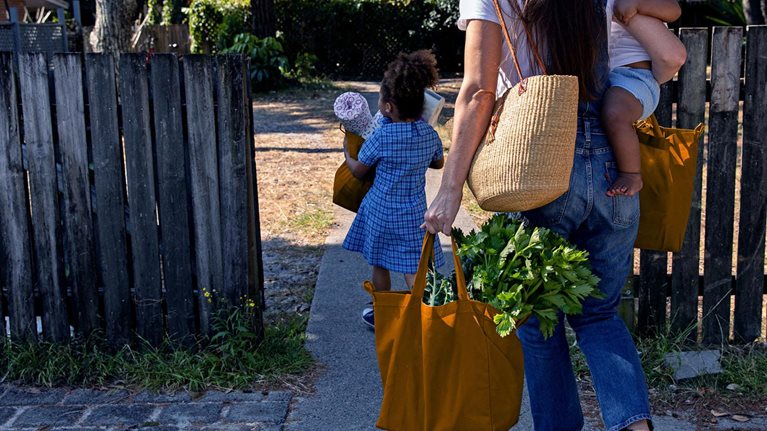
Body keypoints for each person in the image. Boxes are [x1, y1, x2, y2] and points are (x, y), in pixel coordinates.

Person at [423, 0, 683, 429]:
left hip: (541, 160)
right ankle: (636, 426)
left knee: (537, 316)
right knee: (599, 313)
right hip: (611, 161)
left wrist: (449, 190)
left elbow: (479, 91)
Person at [343, 50, 446, 329]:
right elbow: (438, 163)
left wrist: (347, 153)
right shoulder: (429, 135)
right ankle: (424, 314)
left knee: (379, 262)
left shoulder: (382, 135)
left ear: (388, 107)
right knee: (413, 266)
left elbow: (359, 170)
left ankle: (383, 313)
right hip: (413, 214)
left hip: (380, 211)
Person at [603, 0, 687, 196]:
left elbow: (674, 10)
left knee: (615, 113)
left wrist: (639, 4)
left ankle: (631, 173)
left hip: (634, 76)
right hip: (602, 75)